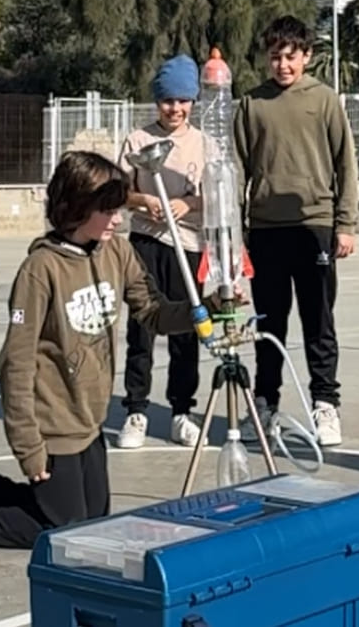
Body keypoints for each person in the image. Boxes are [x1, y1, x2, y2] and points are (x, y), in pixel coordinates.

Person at [0, 150, 202, 546]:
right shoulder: (40, 270)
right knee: (60, 530)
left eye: (119, 209)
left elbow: (153, 311)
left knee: (91, 519)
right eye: (108, 211)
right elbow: (14, 364)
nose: (118, 220)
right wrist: (28, 445)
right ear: (77, 208)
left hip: (88, 418)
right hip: (53, 421)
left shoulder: (117, 252)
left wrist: (202, 309)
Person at [234, 14, 358, 448]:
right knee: (269, 325)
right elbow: (238, 168)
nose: (282, 65)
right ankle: (265, 404)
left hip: (315, 226)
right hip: (266, 230)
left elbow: (345, 163)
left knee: (318, 322)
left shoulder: (324, 100)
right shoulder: (251, 104)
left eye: (290, 56)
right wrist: (236, 230)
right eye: (275, 57)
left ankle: (325, 404)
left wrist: (345, 223)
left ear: (306, 56)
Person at [116, 54, 206, 450]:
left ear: (193, 101)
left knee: (186, 328)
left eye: (183, 100)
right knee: (142, 328)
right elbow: (119, 191)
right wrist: (143, 201)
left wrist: (188, 203)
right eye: (168, 100)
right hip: (146, 243)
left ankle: (181, 412)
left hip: (188, 246)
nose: (175, 108)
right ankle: (136, 410)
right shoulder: (137, 141)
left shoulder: (204, 144)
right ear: (157, 101)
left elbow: (215, 195)